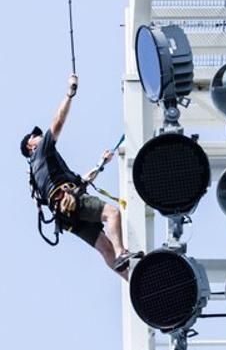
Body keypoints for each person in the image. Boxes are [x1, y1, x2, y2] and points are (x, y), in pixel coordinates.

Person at [20, 74, 140, 279]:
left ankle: (133, 281)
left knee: (104, 247)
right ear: (31, 146)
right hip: (70, 202)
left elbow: (79, 183)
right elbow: (57, 122)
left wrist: (100, 164)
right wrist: (70, 94)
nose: (40, 136)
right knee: (112, 214)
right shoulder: (41, 152)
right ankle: (122, 253)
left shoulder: (41, 173)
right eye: (36, 136)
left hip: (65, 216)